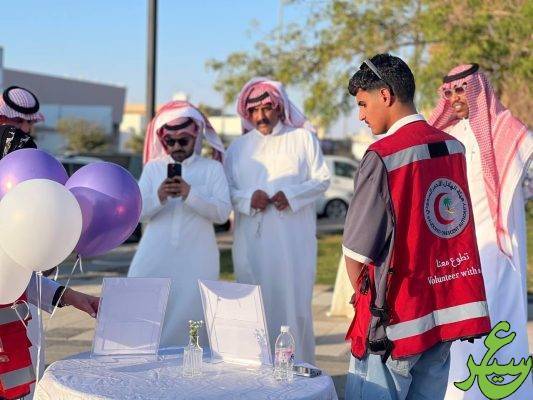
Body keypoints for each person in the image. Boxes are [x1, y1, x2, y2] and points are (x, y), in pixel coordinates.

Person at [342, 54, 491, 399]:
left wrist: (364, 300)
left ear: (385, 95)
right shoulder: (453, 147)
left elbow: (356, 251)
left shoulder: (382, 154)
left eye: (362, 104)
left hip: (395, 324)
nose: (361, 116)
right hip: (442, 318)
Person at [428, 64, 533, 399]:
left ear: (477, 88)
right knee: (464, 323)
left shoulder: (508, 130)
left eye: (461, 89)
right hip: (460, 249)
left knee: (500, 316)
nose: (455, 98)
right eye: (449, 93)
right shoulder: (448, 136)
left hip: (499, 246)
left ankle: (506, 390)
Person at [0, 86, 99, 400]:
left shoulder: (16, 212)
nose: (25, 129)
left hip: (10, 347)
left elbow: (12, 276)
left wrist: (68, 295)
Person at [224, 78, 330, 364]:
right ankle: (256, 373)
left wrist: (291, 195)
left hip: (292, 247)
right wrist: (248, 198)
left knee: (293, 308)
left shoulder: (302, 139)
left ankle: (299, 374)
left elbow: (322, 179)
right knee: (253, 307)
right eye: (253, 111)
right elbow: (227, 191)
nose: (260, 116)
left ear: (280, 107)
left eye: (266, 108)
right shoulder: (237, 148)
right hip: (251, 246)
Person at [129, 100, 230, 347]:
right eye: (170, 141)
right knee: (143, 306)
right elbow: (137, 213)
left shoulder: (212, 169)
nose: (176, 147)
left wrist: (190, 194)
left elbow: (222, 213)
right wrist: (160, 196)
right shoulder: (153, 169)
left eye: (183, 141)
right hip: (155, 254)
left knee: (193, 314)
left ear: (196, 137)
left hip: (198, 257)